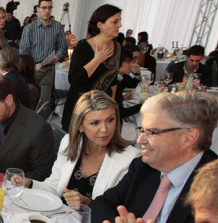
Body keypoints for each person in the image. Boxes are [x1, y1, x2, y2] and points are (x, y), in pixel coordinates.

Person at [89, 91, 218, 223]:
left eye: (152, 132)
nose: (140, 140)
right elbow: (102, 203)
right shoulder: (143, 167)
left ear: (188, 138)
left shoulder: (214, 185)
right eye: (142, 130)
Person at [24, 91, 140, 205]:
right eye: (95, 123)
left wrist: (89, 204)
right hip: (60, 220)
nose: (104, 129)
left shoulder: (130, 158)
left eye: (110, 120)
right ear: (80, 126)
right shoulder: (69, 142)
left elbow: (120, 208)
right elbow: (54, 188)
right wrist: (29, 183)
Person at [0, 74, 55, 179]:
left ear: (9, 100)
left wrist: (9, 181)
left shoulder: (38, 129)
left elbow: (42, 173)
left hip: (17, 192)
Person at [62, 4, 121, 132]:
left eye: (120, 21)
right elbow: (74, 80)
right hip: (81, 107)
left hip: (103, 109)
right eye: (115, 21)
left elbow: (113, 79)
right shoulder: (83, 47)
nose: (119, 25)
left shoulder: (117, 47)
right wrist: (97, 59)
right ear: (100, 25)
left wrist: (113, 106)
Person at [20, 0, 68, 109]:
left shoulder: (58, 26)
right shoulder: (29, 29)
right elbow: (23, 52)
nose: (47, 11)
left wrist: (57, 57)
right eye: (44, 7)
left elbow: (62, 46)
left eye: (49, 8)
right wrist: (32, 66)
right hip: (31, 71)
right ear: (38, 9)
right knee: (29, 103)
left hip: (48, 69)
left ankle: (42, 125)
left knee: (44, 104)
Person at [115, 48, 142, 120]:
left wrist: (121, 98)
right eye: (128, 62)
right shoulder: (114, 82)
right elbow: (121, 113)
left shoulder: (116, 79)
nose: (132, 64)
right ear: (118, 62)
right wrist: (142, 105)